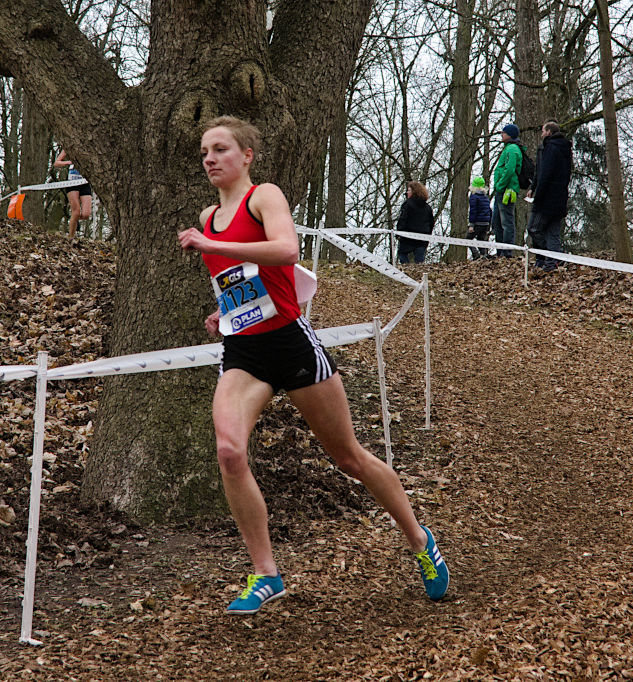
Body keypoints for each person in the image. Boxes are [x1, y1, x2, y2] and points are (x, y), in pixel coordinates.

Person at [177, 116, 449, 615]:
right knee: (229, 452)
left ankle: (420, 541)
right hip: (245, 352)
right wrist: (224, 311)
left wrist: (213, 245)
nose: (210, 159)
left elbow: (286, 250)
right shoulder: (209, 217)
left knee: (348, 457)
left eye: (220, 149)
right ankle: (266, 575)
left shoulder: (264, 197)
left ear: (246, 155)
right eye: (204, 153)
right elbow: (243, 279)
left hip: (291, 343)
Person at [525, 121, 572, 272]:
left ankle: (553, 256)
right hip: (560, 197)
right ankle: (551, 265)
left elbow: (545, 173)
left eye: (543, 131)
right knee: (553, 233)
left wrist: (538, 194)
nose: (541, 134)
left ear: (549, 132)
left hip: (547, 198)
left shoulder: (550, 148)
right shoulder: (565, 148)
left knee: (533, 228)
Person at [490, 124, 523, 257]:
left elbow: (509, 170)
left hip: (507, 191)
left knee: (506, 222)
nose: (501, 135)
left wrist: (499, 185)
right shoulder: (508, 148)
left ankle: (507, 252)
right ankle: (500, 251)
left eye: (503, 133)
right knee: (496, 223)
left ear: (509, 134)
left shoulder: (512, 149)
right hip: (501, 191)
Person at [53, 150, 92, 239]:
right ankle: (71, 237)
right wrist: (68, 162)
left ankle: (74, 220)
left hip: (85, 182)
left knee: (86, 214)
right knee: (76, 211)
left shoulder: (90, 146)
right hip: (72, 182)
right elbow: (56, 163)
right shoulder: (69, 146)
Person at [395, 181, 435, 264]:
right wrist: (428, 235)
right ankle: (418, 275)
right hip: (422, 239)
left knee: (402, 255)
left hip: (407, 237)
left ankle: (405, 272)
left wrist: (399, 232)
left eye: (409, 190)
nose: (407, 192)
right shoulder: (428, 208)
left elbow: (403, 219)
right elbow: (431, 223)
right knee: (420, 262)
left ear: (414, 192)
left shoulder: (407, 204)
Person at [466, 176, 492, 260]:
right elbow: (489, 211)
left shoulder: (474, 196)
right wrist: (489, 225)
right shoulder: (485, 197)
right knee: (481, 239)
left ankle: (476, 254)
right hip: (485, 223)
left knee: (468, 239)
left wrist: (471, 225)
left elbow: (473, 211)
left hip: (477, 223)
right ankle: (483, 255)